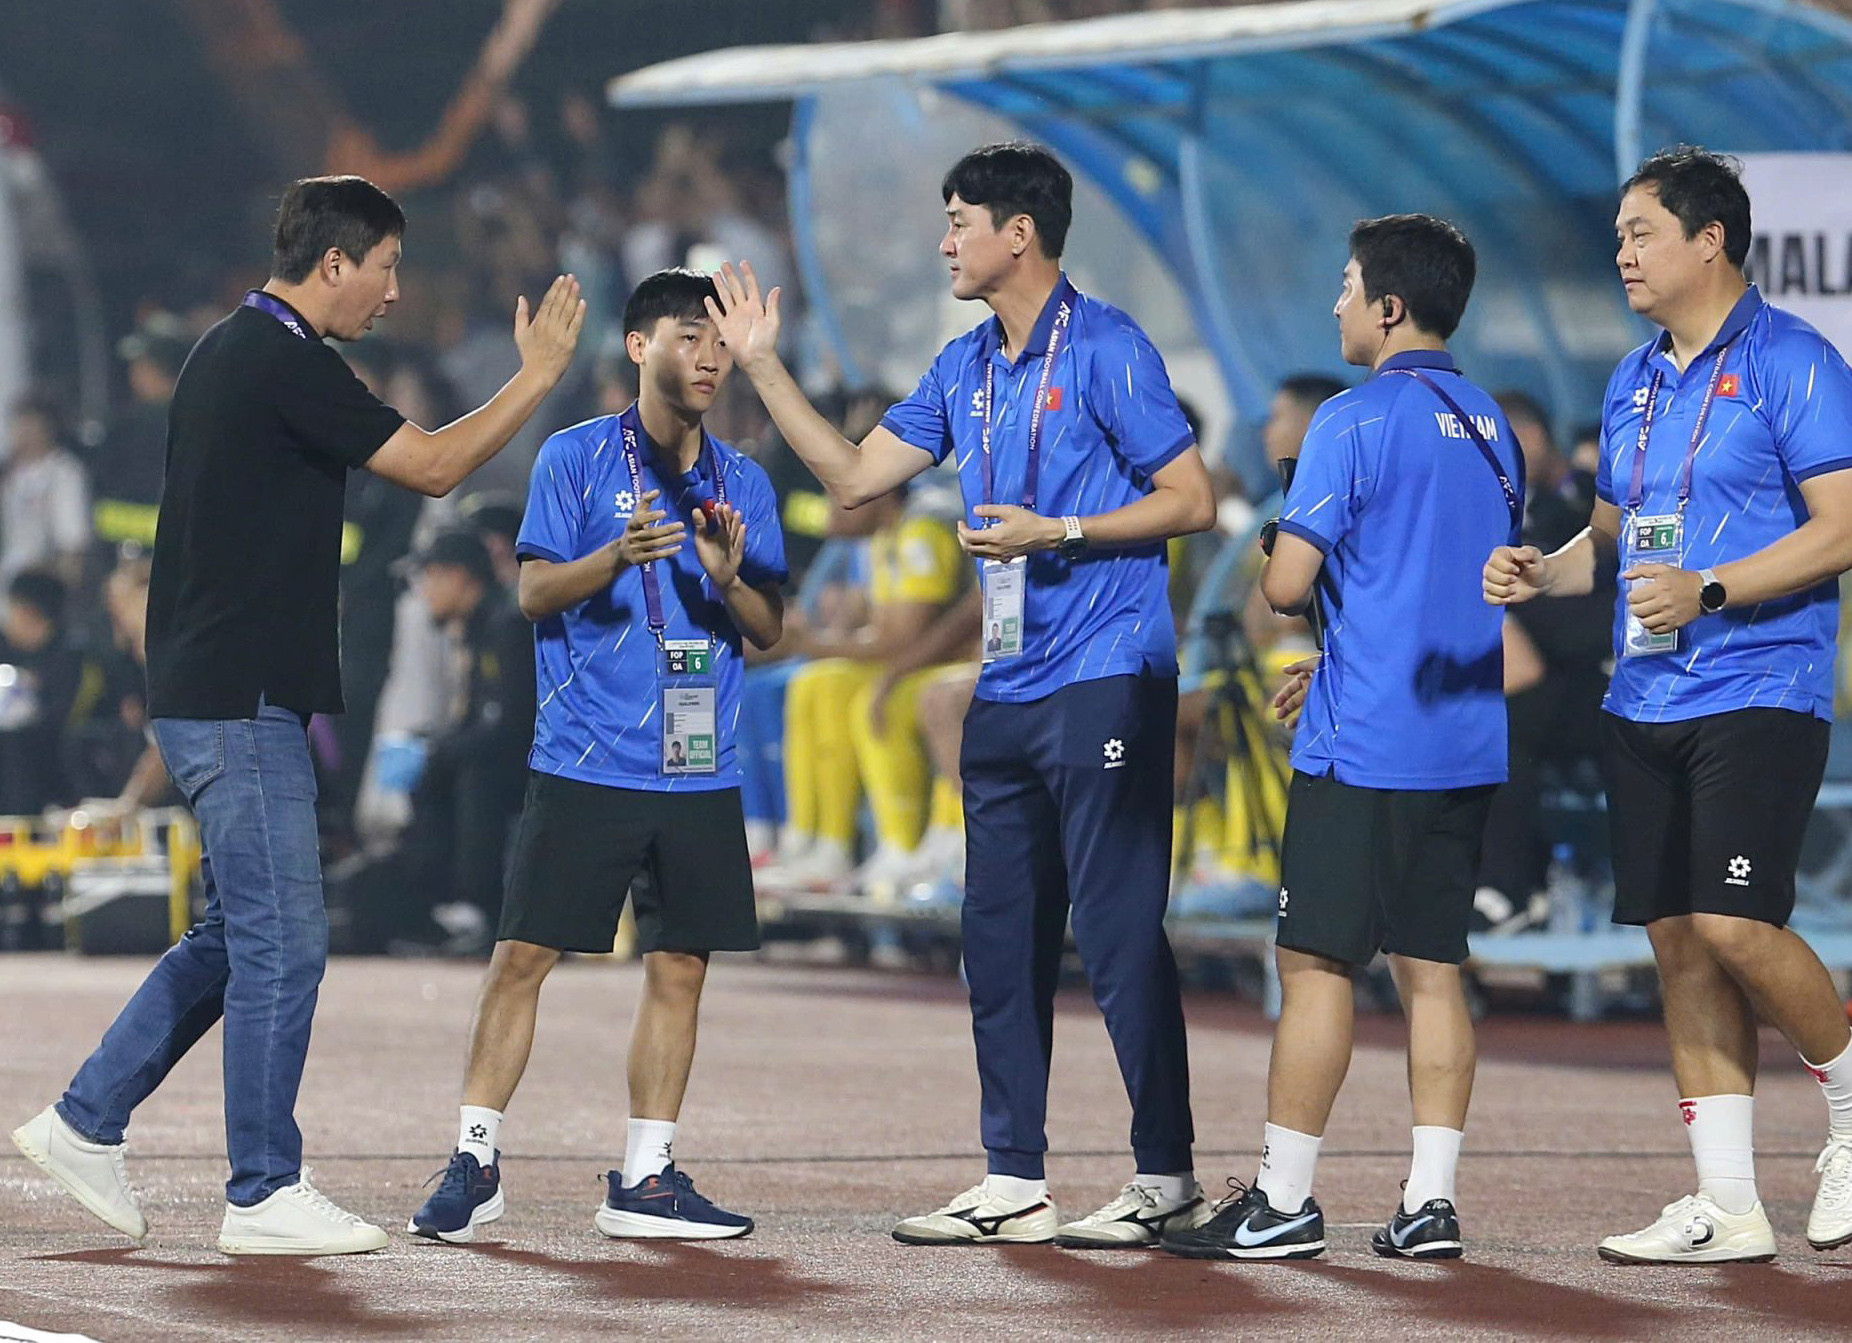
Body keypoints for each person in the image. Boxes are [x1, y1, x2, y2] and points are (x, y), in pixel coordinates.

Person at [9, 174, 584, 1256]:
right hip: (239, 700)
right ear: (334, 263)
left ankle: (86, 1118)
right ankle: (262, 1187)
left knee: (237, 932)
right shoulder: (283, 360)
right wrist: (540, 376)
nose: (394, 292)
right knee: (285, 939)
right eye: (386, 267)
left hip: (214, 692)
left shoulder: (231, 350)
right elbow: (436, 465)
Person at [709, 140, 1218, 1248]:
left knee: (1117, 933)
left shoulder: (1110, 348)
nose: (944, 243)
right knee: (997, 940)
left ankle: (1166, 1176)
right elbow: (853, 478)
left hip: (1105, 676)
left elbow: (1192, 499)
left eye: (958, 221)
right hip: (1006, 685)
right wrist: (763, 367)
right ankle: (1012, 1176)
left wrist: (1060, 530)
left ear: (1017, 232)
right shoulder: (964, 365)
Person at [1485, 146, 1852, 1263]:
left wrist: (1713, 589)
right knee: (1681, 943)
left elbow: (1842, 527)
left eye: (1641, 232)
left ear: (1710, 239)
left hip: (1762, 682)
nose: (1622, 254)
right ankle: (1728, 1204)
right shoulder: (1631, 379)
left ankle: (1850, 1112)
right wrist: (1540, 571)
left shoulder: (1796, 359)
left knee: (1738, 925)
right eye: (1618, 237)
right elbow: (1607, 540)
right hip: (1642, 691)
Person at [1164, 214, 1520, 1264]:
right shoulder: (1492, 422)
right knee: (1433, 967)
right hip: (1463, 733)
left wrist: (1288, 541)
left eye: (1349, 286)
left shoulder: (1352, 418)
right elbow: (1444, 580)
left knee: (1315, 961)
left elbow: (1285, 587)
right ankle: (1432, 1202)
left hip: (1365, 740)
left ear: (1390, 307)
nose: (1338, 304)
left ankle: (1282, 1198)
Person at [408, 268, 786, 1245]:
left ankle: (647, 1176)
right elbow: (532, 593)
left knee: (680, 966)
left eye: (718, 342)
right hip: (586, 757)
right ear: (637, 346)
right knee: (522, 956)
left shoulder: (743, 480)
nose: (708, 357)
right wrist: (614, 557)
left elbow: (768, 626)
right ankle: (474, 1160)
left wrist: (727, 578)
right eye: (687, 337)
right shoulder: (574, 458)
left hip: (698, 764)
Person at [393, 526, 535, 954]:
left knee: (474, 773)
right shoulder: (476, 630)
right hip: (503, 756)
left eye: (429, 577)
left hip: (531, 767)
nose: (424, 592)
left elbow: (509, 727)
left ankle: (478, 909)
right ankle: (432, 907)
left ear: (458, 577)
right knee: (430, 767)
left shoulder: (507, 626)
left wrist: (440, 748)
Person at [0, 569, 84, 813]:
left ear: (28, 612)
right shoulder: (5, 648)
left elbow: (64, 722)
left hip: (56, 785)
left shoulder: (73, 661)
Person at [0, 391, 90, 590]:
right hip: (8, 579)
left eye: (29, 425)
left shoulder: (64, 473)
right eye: (17, 424)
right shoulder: (9, 473)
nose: (21, 432)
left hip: (41, 580)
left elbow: (72, 542)